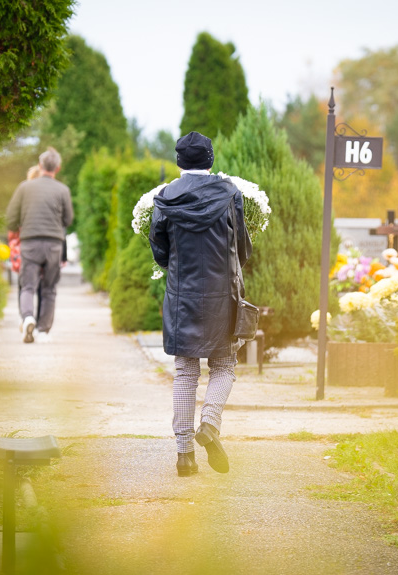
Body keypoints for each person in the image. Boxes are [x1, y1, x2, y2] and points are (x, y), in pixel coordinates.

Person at [149, 131, 252, 477]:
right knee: (224, 365)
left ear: (180, 162)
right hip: (222, 293)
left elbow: (160, 250)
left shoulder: (165, 198)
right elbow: (242, 246)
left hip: (182, 296)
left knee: (185, 371)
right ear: (210, 160)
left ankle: (184, 456)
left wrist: (177, 269)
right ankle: (209, 423)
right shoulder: (229, 194)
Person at [6, 148, 73, 344]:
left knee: (28, 285)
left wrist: (22, 225)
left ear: (40, 165)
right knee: (49, 288)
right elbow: (67, 219)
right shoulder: (63, 190)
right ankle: (43, 330)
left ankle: (27, 318)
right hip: (53, 244)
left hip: (30, 242)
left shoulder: (24, 188)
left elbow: (11, 218)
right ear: (57, 168)